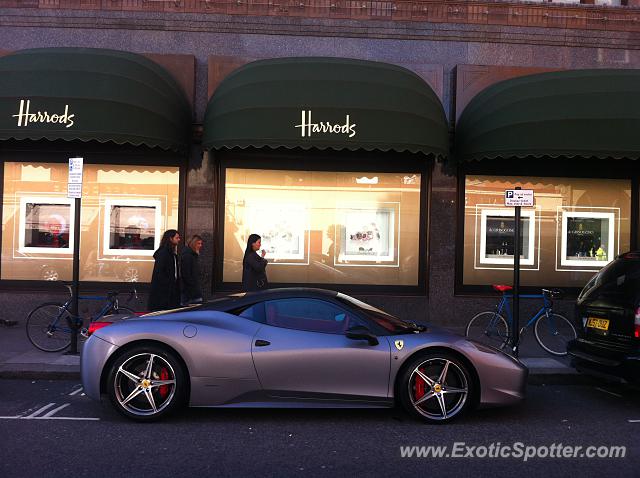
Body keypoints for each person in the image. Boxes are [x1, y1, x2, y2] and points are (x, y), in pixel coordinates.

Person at [148, 229, 181, 311]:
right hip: (164, 293)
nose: (179, 240)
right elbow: (159, 273)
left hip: (171, 291)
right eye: (177, 238)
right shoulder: (164, 253)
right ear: (170, 238)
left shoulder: (172, 254)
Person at [181, 234, 204, 305]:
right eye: (198, 243)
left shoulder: (192, 255)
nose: (200, 245)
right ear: (193, 244)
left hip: (193, 290)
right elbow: (186, 274)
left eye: (201, 243)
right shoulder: (188, 255)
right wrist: (193, 287)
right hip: (190, 293)